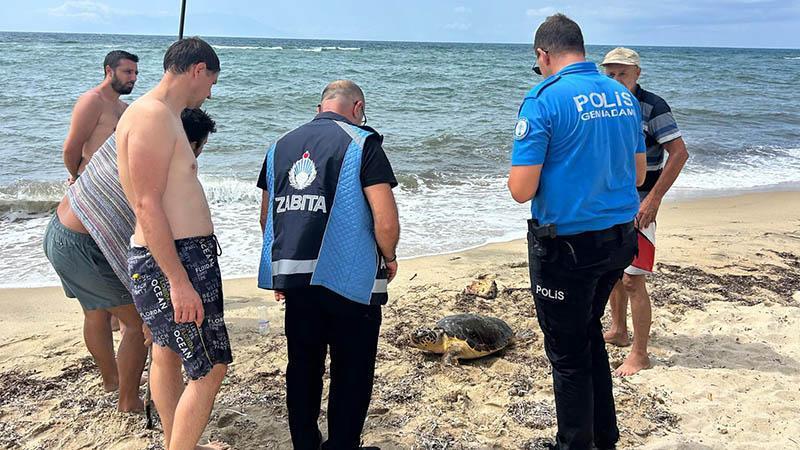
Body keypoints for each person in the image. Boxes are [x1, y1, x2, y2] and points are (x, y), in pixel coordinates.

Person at [507, 14, 646, 450]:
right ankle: (604, 437)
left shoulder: (543, 98)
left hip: (567, 246)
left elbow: (520, 189)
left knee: (567, 355)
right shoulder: (622, 95)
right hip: (618, 238)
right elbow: (639, 173)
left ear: (543, 55)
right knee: (588, 335)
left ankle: (575, 443)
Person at [43, 109, 217, 413]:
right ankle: (128, 400)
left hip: (60, 232)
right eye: (199, 150)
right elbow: (150, 234)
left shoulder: (133, 138)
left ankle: (113, 382)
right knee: (140, 325)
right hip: (85, 247)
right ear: (190, 144)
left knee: (97, 312)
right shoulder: (161, 166)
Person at [257, 80, 399, 449]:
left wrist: (278, 269)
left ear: (320, 108)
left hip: (296, 276)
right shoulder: (364, 143)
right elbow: (385, 220)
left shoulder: (279, 146)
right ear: (358, 108)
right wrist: (389, 256)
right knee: (352, 371)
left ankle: (305, 443)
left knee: (303, 366)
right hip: (349, 278)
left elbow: (267, 217)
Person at [117, 38, 230, 450]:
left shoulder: (162, 115)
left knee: (167, 352)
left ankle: (176, 442)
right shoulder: (152, 115)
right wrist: (178, 281)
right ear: (198, 70)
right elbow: (146, 203)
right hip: (174, 260)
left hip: (175, 256)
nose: (209, 94)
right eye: (211, 82)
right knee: (210, 367)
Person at [599, 47, 690, 377]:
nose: (616, 80)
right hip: (610, 202)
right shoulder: (603, 105)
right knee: (613, 272)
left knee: (633, 279)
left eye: (623, 73)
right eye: (610, 74)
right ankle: (618, 330)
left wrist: (653, 200)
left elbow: (678, 153)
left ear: (637, 73)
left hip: (641, 202)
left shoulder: (652, 106)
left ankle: (640, 354)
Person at [63, 50, 139, 184]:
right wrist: (77, 177)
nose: (133, 78)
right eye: (128, 72)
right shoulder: (92, 100)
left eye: (135, 73)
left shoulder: (124, 107)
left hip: (112, 183)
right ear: (109, 71)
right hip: (90, 180)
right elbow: (71, 148)